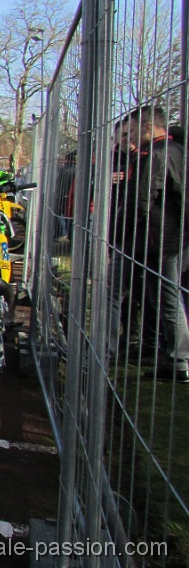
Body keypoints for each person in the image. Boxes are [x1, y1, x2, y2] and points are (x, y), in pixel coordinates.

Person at [110, 105, 189, 382]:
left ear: (147, 127)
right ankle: (172, 357)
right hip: (168, 237)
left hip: (156, 238)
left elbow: (141, 200)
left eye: (132, 130)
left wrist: (118, 233)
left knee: (165, 299)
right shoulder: (177, 151)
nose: (129, 137)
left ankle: (178, 361)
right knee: (163, 297)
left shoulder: (156, 154)